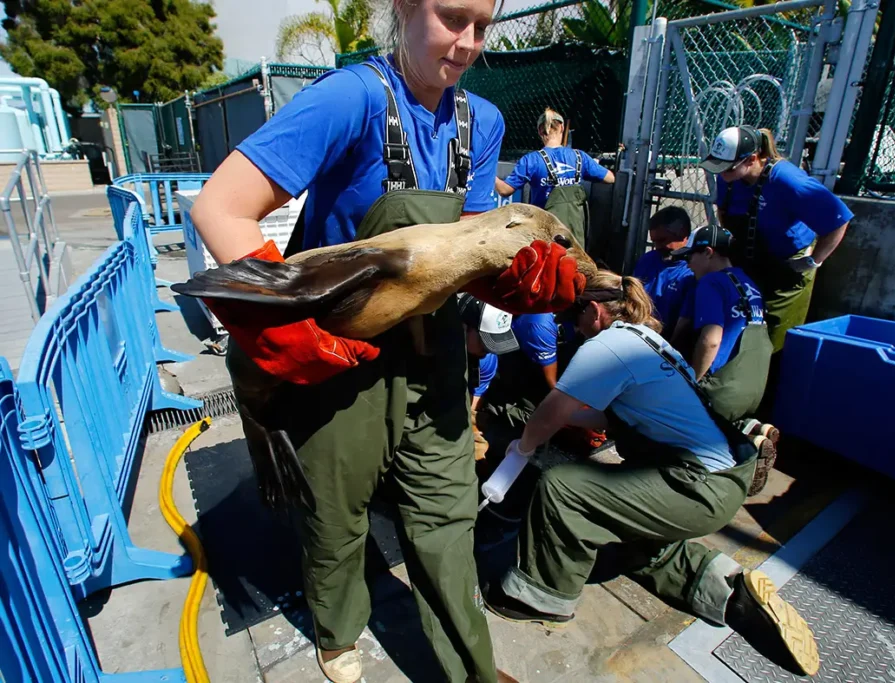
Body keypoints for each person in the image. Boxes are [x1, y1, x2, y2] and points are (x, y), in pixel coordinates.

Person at [188, 0, 585, 680]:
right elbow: (218, 207)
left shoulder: (480, 122)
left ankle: (473, 670)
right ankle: (338, 632)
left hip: (434, 352)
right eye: (452, 18)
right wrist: (281, 327)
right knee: (335, 513)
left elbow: (472, 245)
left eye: (482, 27)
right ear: (403, 8)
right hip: (338, 349)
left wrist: (518, 286)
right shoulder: (350, 99)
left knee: (446, 512)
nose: (467, 43)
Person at [480, 271, 820, 677]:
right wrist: (566, 410)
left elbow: (549, 415)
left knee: (565, 487)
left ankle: (542, 596)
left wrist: (522, 447)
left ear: (594, 310)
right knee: (623, 531)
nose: (571, 326)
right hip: (717, 476)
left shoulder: (605, 346)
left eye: (573, 316)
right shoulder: (648, 340)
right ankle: (729, 594)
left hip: (695, 485)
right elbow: (608, 413)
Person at [700, 125, 853, 353]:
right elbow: (724, 210)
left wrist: (814, 260)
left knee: (772, 340)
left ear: (751, 159)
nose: (722, 175)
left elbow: (839, 219)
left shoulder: (788, 181)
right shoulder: (729, 178)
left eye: (727, 169)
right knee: (736, 327)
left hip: (785, 269)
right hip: (749, 258)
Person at [670, 225, 776, 494]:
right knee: (721, 416)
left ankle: (742, 463)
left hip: (726, 388)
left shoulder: (710, 282)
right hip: (755, 386)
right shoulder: (748, 282)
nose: (688, 264)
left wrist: (691, 380)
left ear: (708, 252)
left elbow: (712, 339)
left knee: (674, 419)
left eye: (690, 256)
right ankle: (749, 430)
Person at [495, 107, 615, 246]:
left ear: (540, 131)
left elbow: (505, 190)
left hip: (546, 235)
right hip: (574, 238)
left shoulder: (531, 160)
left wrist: (488, 173)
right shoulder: (580, 157)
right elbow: (610, 178)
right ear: (562, 128)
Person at [459, 293, 520, 460]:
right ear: (464, 327)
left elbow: (473, 406)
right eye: (485, 342)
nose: (490, 350)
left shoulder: (487, 359)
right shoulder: (428, 348)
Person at [632, 205, 692, 285]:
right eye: (654, 241)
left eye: (662, 240)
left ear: (682, 234)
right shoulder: (647, 261)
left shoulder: (694, 270)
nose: (658, 247)